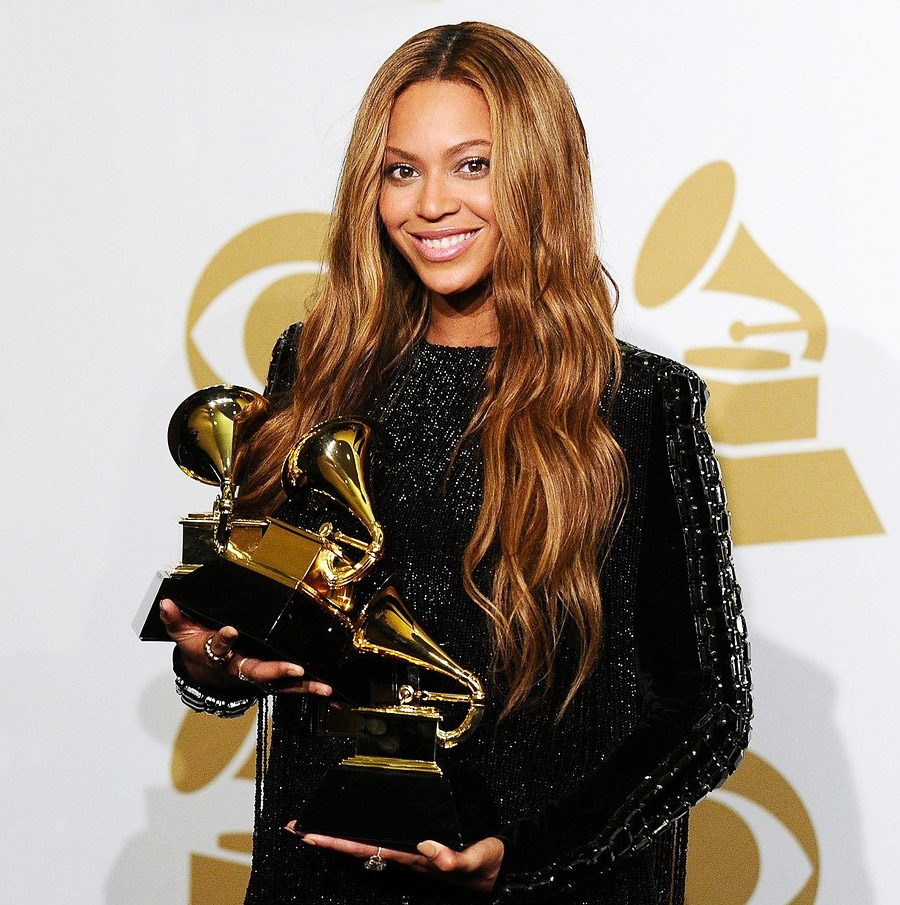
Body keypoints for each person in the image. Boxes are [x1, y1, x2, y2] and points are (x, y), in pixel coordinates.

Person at [158, 21, 752, 905]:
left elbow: (704, 714)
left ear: (540, 175)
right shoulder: (314, 369)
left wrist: (524, 855)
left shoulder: (637, 402)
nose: (431, 204)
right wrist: (214, 664)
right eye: (401, 170)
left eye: (472, 165)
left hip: (544, 886)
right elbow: (274, 631)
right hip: (323, 879)